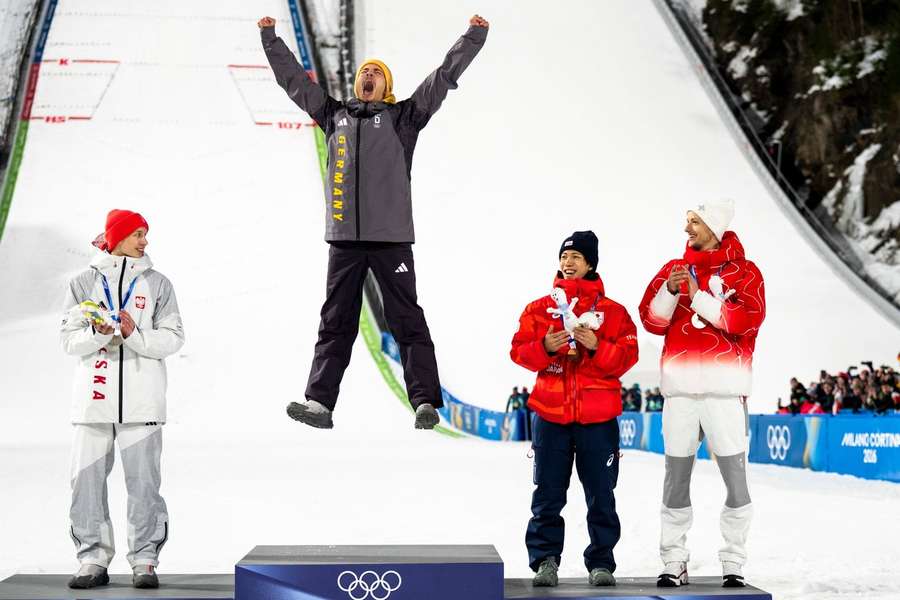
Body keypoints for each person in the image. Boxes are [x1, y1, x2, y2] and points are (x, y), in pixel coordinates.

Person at [257, 14, 489, 430]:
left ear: (387, 87)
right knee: (335, 322)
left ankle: (424, 402)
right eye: (364, 72)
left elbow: (443, 78)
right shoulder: (333, 117)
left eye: (375, 74)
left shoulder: (404, 119)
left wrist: (473, 37)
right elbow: (293, 82)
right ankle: (319, 404)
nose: (367, 75)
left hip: (391, 240)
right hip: (344, 241)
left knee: (407, 320)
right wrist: (270, 38)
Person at [638, 200, 765, 588]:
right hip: (680, 395)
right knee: (675, 480)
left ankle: (734, 561)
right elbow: (651, 320)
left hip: (725, 393)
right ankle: (673, 560)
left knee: (735, 481)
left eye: (694, 222)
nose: (687, 228)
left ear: (714, 226)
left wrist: (695, 296)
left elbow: (746, 320)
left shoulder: (745, 273)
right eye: (687, 221)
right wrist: (669, 291)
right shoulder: (671, 269)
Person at [60, 210, 184, 590]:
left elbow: (174, 337)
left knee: (145, 485)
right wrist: (99, 334)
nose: (144, 241)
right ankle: (92, 559)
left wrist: (132, 334)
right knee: (86, 483)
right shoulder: (82, 283)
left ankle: (144, 560)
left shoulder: (158, 284)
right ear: (116, 238)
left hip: (143, 404)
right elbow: (68, 340)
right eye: (137, 234)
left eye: (145, 234)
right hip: (92, 403)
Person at [510, 231, 639, 588]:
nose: (568, 263)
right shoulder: (539, 309)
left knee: (601, 493)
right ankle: (545, 561)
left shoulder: (613, 312)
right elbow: (519, 351)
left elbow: (627, 358)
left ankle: (601, 562)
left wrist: (598, 345)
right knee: (548, 492)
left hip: (598, 419)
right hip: (550, 416)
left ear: (591, 264)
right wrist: (544, 346)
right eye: (565, 257)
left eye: (576, 258)